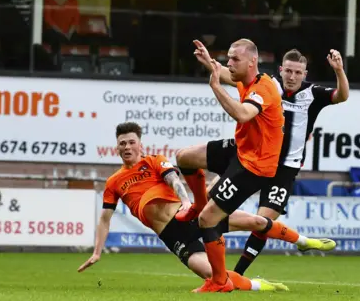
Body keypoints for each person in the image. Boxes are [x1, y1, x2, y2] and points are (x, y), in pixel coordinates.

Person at [78, 122, 336, 292]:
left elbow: (173, 178)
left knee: (256, 222)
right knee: (215, 276)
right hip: (173, 235)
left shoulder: (153, 161)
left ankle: (303, 241)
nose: (127, 147)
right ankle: (260, 286)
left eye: (131, 142)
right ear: (117, 147)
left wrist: (188, 201)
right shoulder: (114, 182)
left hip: (191, 215)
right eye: (122, 143)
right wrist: (98, 251)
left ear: (139, 143)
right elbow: (104, 219)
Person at [176, 41, 347, 282]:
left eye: (297, 72)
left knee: (259, 221)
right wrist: (210, 64)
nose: (292, 76)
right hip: (249, 153)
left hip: (281, 167)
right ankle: (210, 233)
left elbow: (341, 96)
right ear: (280, 70)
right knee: (191, 172)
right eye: (288, 70)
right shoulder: (269, 85)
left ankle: (238, 274)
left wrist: (339, 70)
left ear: (304, 75)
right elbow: (230, 74)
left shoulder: (311, 93)